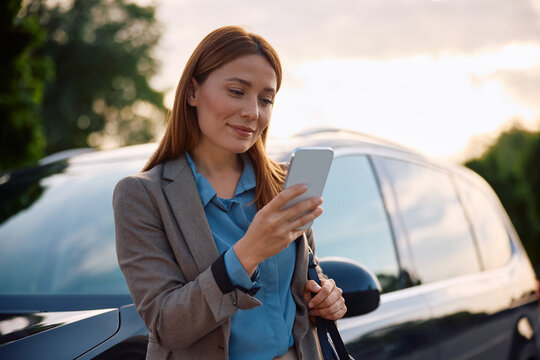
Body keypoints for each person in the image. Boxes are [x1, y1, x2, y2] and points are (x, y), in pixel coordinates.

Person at [113, 25, 346, 360]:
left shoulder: (282, 184)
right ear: (192, 92)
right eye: (237, 91)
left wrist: (325, 295)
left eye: (266, 99)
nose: (253, 111)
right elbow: (166, 325)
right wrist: (247, 254)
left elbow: (306, 276)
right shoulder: (142, 197)